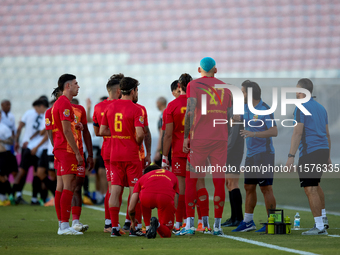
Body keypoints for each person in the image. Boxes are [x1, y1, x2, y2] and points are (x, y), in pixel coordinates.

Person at [181, 57, 231, 236]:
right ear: (215, 70)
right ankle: (217, 227)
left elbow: (190, 111)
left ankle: (189, 225)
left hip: (200, 139)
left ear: (199, 69)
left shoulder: (193, 85)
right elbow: (232, 116)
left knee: (191, 179)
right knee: (219, 180)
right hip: (220, 139)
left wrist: (186, 136)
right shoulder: (226, 87)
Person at [99, 77, 145, 237]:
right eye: (136, 90)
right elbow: (140, 134)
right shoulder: (136, 109)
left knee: (115, 190)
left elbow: (102, 131)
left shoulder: (110, 107)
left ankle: (114, 228)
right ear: (132, 91)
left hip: (114, 155)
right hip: (131, 155)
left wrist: (118, 135)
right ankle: (134, 227)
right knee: (135, 191)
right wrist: (134, 140)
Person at [286, 79, 330, 235]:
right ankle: (323, 219)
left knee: (310, 188)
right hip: (322, 150)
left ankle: (319, 227)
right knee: (316, 185)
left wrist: (291, 156)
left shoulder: (300, 107)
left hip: (310, 151)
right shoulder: (321, 108)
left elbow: (297, 132)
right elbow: (326, 134)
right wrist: (328, 156)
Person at [232, 80, 277, 233]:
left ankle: (273, 223)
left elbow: (274, 131)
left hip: (264, 155)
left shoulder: (265, 109)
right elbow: (236, 117)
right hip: (250, 155)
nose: (241, 94)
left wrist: (254, 133)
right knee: (249, 187)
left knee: (266, 188)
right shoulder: (244, 108)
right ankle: (248, 221)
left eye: (243, 92)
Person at [52, 74, 84, 235]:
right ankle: (64, 226)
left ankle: (62, 224)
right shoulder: (64, 103)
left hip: (60, 148)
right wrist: (78, 153)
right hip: (66, 149)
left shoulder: (62, 103)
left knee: (61, 187)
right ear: (68, 86)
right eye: (76, 83)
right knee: (69, 186)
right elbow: (65, 130)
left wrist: (75, 125)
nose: (78, 86)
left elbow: (65, 127)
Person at [93, 73, 123, 233]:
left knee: (113, 188)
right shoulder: (124, 106)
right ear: (119, 90)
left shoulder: (99, 107)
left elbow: (97, 132)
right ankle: (124, 224)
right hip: (122, 150)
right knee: (119, 188)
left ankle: (109, 223)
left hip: (107, 151)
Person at [162, 74, 192, 233]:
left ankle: (178, 222)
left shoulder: (171, 106)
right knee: (195, 186)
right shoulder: (198, 104)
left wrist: (164, 156)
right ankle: (197, 221)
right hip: (197, 149)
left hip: (179, 149)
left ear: (179, 85)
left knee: (180, 188)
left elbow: (167, 134)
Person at [12, 99, 48, 204]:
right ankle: (35, 198)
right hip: (37, 148)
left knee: (25, 172)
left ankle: (15, 195)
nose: (35, 111)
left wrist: (18, 140)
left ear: (41, 105)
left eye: (36, 108)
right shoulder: (46, 114)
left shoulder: (30, 113)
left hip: (29, 145)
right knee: (37, 173)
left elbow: (21, 127)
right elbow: (43, 132)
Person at [128, 165, 179, 238]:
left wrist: (133, 222)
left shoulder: (143, 178)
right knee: (167, 233)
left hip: (147, 198)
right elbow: (176, 197)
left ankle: (148, 228)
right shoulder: (172, 175)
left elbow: (131, 208)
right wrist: (171, 214)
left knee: (143, 194)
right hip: (165, 197)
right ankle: (157, 224)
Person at [221, 104, 244, 227]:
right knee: (229, 183)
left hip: (233, 151)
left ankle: (239, 218)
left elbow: (233, 134)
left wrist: (226, 151)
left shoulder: (235, 110)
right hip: (230, 150)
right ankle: (233, 217)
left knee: (233, 183)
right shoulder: (227, 109)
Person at [0, 111, 15, 206]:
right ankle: (4, 197)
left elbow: (11, 141)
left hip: (2, 155)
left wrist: (1, 140)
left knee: (2, 177)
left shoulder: (4, 128)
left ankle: (10, 196)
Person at [153, 96, 167, 166]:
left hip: (164, 147)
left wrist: (158, 150)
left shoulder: (162, 115)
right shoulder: (168, 113)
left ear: (159, 103)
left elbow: (162, 133)